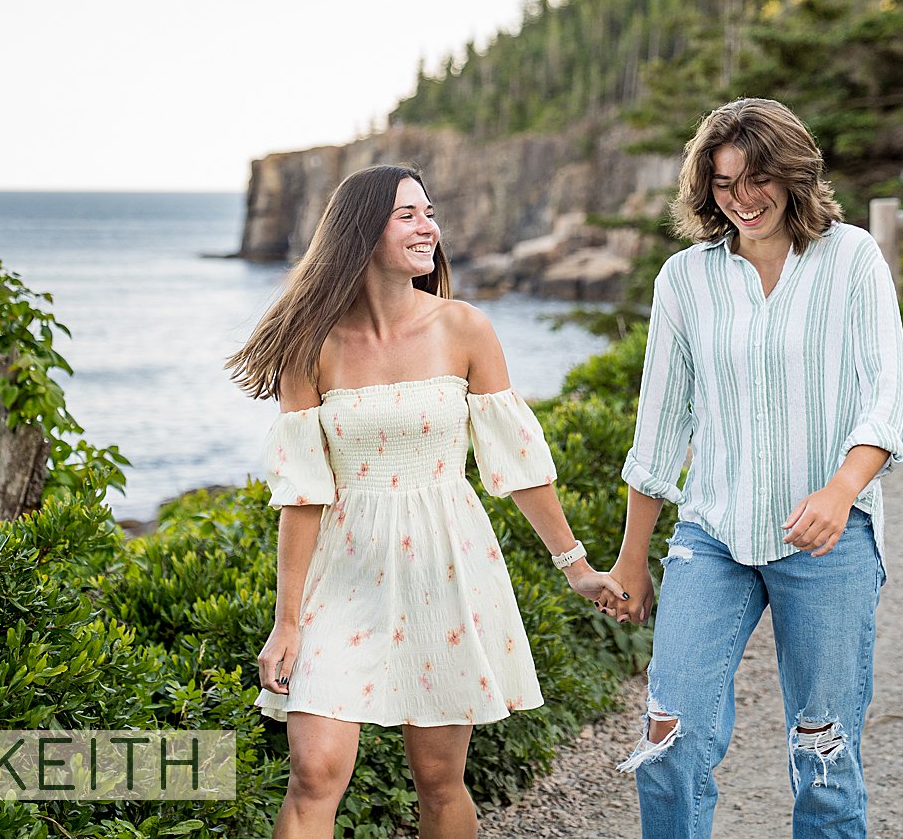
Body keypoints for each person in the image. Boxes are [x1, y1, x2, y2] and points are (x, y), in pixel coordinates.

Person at [227, 163, 624, 839]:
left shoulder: (464, 328)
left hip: (446, 564)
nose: (428, 227)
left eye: (429, 212)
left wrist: (576, 564)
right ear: (360, 230)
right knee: (314, 769)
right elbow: (302, 496)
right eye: (407, 214)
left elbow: (517, 463)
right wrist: (287, 621)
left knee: (439, 780)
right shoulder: (309, 344)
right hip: (343, 572)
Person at [604, 98, 903, 839]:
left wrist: (842, 491)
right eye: (723, 183)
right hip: (713, 533)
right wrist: (632, 558)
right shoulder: (685, 279)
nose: (742, 198)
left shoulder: (853, 259)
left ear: (795, 173)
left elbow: (886, 397)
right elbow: (660, 425)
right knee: (668, 739)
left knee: (825, 755)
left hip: (830, 539)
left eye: (757, 177)